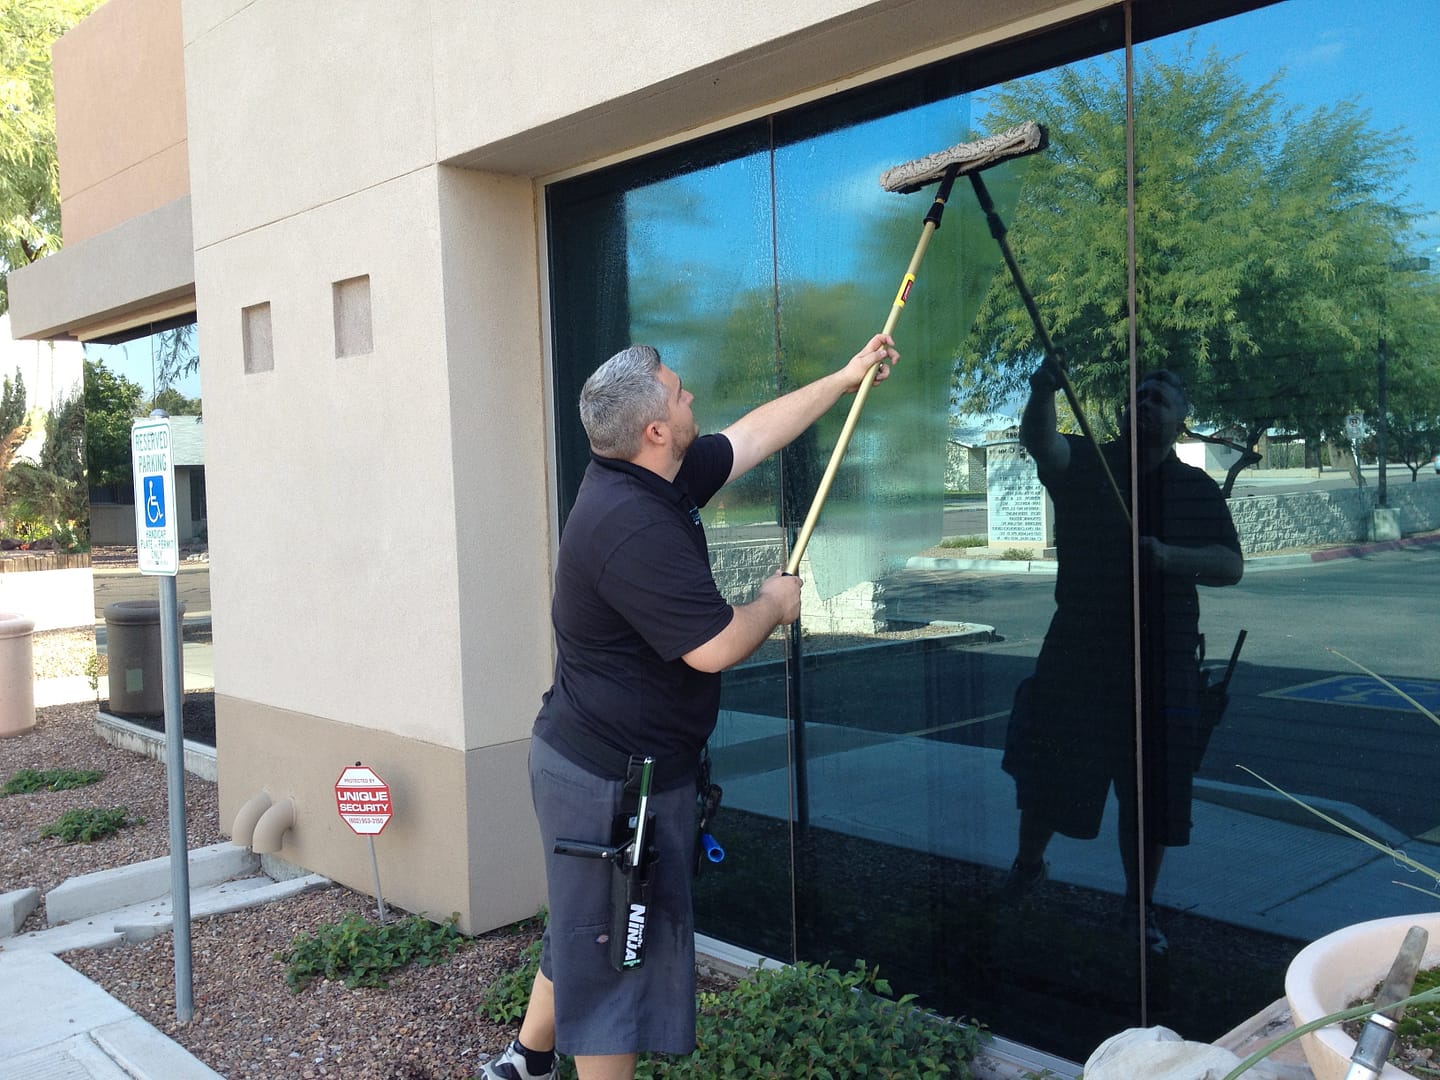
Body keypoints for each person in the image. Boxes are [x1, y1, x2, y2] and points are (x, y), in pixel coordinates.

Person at [481, 333, 898, 1080]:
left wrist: (844, 378)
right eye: (679, 393)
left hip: (610, 760)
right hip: (606, 781)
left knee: (589, 923)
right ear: (654, 430)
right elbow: (713, 646)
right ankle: (541, 1060)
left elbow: (750, 437)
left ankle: (527, 1060)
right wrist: (773, 605)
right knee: (614, 958)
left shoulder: (654, 474)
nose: (691, 397)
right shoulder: (630, 523)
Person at [998, 364, 1243, 955]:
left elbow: (1230, 566)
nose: (1145, 403)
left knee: (1149, 792)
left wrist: (1167, 557)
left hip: (1163, 658)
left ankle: (1139, 908)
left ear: (1181, 417)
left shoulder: (1195, 487)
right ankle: (1027, 867)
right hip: (1078, 651)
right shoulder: (1090, 461)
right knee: (1049, 774)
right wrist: (1043, 389)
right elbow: (1043, 443)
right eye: (1138, 396)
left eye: (1158, 397)